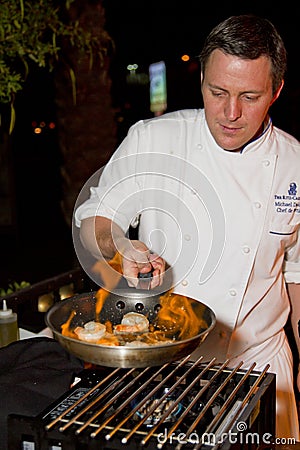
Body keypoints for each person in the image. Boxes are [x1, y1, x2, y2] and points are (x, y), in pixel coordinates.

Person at [74, 14, 300, 439]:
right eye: (218, 93)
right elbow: (95, 222)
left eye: (249, 96)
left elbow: (297, 277)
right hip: (167, 370)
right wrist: (120, 248)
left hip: (265, 367)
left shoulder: (295, 163)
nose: (231, 113)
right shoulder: (154, 139)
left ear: (277, 90)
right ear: (201, 80)